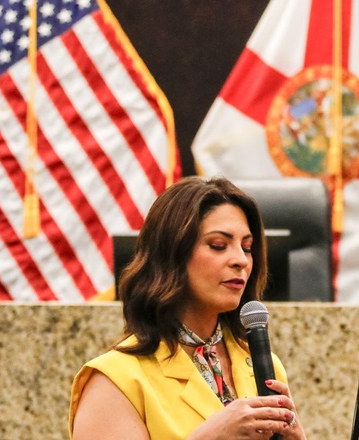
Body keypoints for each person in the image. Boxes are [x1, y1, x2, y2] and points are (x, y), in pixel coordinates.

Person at [69, 177, 307, 440]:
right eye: (218, 245)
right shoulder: (116, 379)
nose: (241, 260)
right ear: (172, 254)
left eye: (247, 248)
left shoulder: (264, 366)